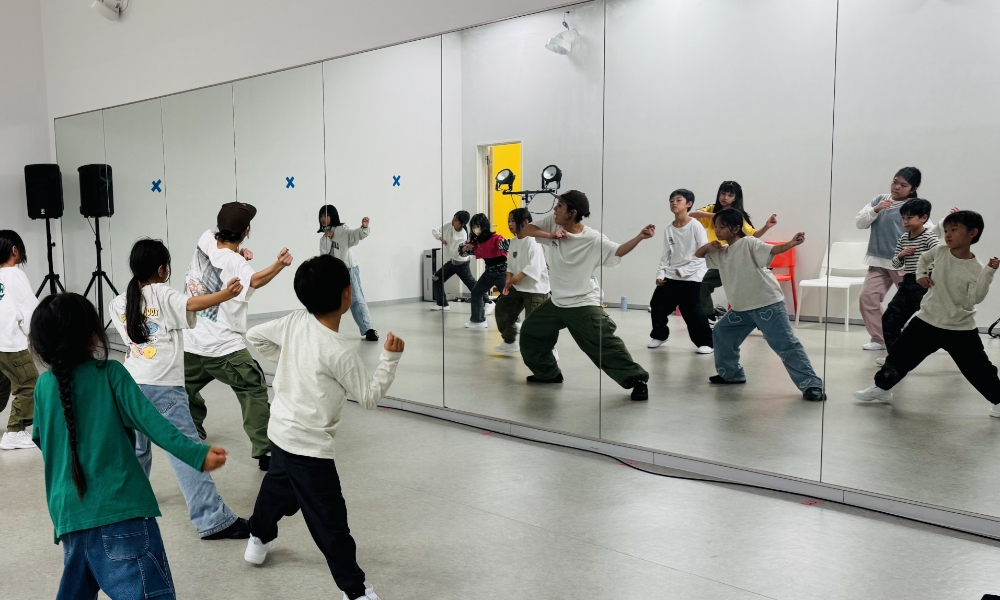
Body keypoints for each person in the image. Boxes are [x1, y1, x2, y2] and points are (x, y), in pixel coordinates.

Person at [30, 293, 228, 600]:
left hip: (69, 518)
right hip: (121, 514)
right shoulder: (110, 373)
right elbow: (153, 422)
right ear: (93, 335)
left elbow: (44, 442)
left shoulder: (43, 386)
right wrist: (197, 454)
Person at [242, 255, 402, 600]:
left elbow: (255, 335)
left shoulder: (294, 321)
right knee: (330, 522)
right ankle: (355, 591)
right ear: (347, 294)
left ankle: (258, 536)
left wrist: (291, 361)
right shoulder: (339, 351)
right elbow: (369, 397)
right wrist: (389, 359)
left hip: (280, 434)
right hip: (310, 449)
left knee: (277, 490)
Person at [110, 238, 251, 540]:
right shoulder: (162, 292)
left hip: (129, 386)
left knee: (137, 450)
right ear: (162, 269)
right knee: (185, 451)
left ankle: (128, 505)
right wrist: (226, 294)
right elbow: (191, 305)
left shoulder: (119, 302)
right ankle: (212, 519)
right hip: (163, 387)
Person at [184, 201, 293, 471]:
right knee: (253, 387)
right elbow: (255, 280)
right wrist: (279, 264)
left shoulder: (204, 239)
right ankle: (265, 452)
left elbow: (221, 261)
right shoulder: (236, 263)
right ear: (246, 231)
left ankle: (193, 429)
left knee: (185, 386)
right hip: (224, 349)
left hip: (191, 342)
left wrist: (240, 255)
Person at [855, 211, 1000, 411]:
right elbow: (923, 259)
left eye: (954, 230)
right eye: (946, 230)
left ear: (972, 233)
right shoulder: (940, 251)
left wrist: (989, 273)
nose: (948, 235)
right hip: (927, 320)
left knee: (978, 368)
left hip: (959, 327)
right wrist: (921, 275)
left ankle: (999, 401)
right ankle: (882, 388)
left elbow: (976, 298)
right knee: (899, 354)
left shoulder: (976, 268)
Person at [517, 190, 654, 401]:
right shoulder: (554, 223)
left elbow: (618, 251)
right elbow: (526, 229)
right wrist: (551, 235)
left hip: (582, 303)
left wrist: (640, 237)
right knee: (531, 332)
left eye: (560, 206)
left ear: (572, 213)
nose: (555, 209)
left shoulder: (592, 238)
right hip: (557, 302)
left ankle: (637, 380)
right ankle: (548, 373)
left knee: (602, 344)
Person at [695, 208, 825, 402]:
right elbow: (698, 255)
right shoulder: (722, 252)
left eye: (722, 227)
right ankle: (731, 374)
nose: (718, 230)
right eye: (716, 227)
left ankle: (811, 384)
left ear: (736, 228)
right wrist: (709, 245)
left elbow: (772, 250)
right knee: (722, 332)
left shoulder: (749, 243)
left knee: (785, 344)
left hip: (767, 305)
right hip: (741, 309)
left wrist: (791, 243)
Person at [855, 167, 922, 351]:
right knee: (867, 298)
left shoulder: (914, 205)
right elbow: (859, 222)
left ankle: (927, 337)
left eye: (903, 185)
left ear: (913, 188)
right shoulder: (879, 199)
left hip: (903, 264)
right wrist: (876, 210)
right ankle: (881, 339)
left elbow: (927, 231)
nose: (896, 187)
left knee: (916, 302)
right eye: (895, 182)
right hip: (878, 262)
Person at [689, 181, 777, 321]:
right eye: (723, 193)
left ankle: (764, 318)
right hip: (719, 258)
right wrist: (717, 216)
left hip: (736, 258)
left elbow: (753, 234)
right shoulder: (712, 209)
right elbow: (692, 214)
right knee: (701, 285)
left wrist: (766, 226)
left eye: (730, 195)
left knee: (749, 290)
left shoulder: (737, 215)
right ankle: (710, 315)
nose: (725, 197)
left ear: (736, 198)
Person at [648, 190, 714, 354]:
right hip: (672, 274)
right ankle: (660, 335)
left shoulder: (696, 226)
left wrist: (684, 270)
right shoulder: (669, 229)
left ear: (689, 204)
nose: (674, 203)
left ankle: (706, 342)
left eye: (678, 200)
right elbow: (666, 254)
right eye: (671, 201)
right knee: (657, 304)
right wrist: (660, 274)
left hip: (692, 275)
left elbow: (703, 253)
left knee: (692, 310)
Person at [875, 198, 938, 366]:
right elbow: (895, 264)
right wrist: (901, 255)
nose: (905, 221)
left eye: (909, 218)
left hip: (926, 284)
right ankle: (895, 358)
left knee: (933, 323)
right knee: (890, 318)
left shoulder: (929, 237)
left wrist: (927, 274)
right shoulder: (903, 238)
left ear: (923, 218)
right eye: (903, 218)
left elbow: (941, 259)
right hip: (908, 282)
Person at [0, 230, 39, 450]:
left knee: (2, 384)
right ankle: (15, 431)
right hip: (10, 343)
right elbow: (29, 309)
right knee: (28, 383)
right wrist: (36, 336)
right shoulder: (14, 275)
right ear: (15, 250)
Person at [494, 208, 550, 354]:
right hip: (518, 287)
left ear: (525, 222)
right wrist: (508, 280)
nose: (510, 224)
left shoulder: (533, 241)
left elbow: (534, 265)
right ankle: (510, 341)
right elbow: (511, 264)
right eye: (508, 221)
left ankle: (548, 350)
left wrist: (516, 278)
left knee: (534, 324)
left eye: (513, 221)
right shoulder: (513, 242)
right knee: (502, 309)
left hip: (535, 289)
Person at [319, 204, 378, 342]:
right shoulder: (324, 237)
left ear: (333, 216)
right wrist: (327, 238)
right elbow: (324, 256)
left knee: (356, 299)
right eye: (321, 216)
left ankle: (369, 329)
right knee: (330, 301)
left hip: (349, 269)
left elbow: (355, 235)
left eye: (326, 215)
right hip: (334, 272)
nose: (323, 219)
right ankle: (327, 330)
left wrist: (363, 228)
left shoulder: (342, 231)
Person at [459, 213, 509, 330]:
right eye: (473, 227)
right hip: (489, 273)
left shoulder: (496, 239)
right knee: (476, 293)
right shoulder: (477, 243)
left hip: (502, 273)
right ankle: (478, 321)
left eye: (478, 226)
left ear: (484, 226)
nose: (475, 229)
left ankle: (515, 322)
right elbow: (461, 252)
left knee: (508, 297)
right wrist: (466, 246)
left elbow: (507, 245)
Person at [431, 210, 476, 311]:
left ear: (462, 224)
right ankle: (442, 304)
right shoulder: (449, 225)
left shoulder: (463, 235)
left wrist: (448, 245)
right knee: (436, 278)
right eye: (453, 218)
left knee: (471, 284)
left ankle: (487, 302)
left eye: (456, 220)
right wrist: (440, 237)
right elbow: (435, 230)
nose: (453, 221)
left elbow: (456, 253)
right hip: (452, 262)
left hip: (461, 263)